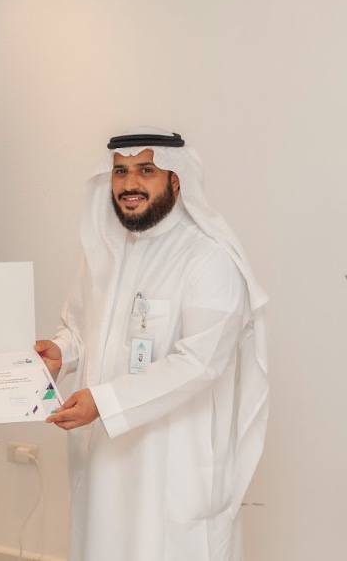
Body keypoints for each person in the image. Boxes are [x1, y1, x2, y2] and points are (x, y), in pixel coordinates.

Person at [35, 127, 269, 561]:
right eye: (120, 172)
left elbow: (199, 363)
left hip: (172, 461)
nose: (130, 184)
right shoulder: (103, 250)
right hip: (104, 455)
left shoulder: (208, 258)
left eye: (146, 170)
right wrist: (61, 352)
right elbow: (82, 329)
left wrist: (104, 402)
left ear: (176, 180)